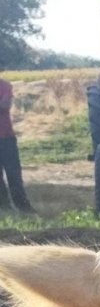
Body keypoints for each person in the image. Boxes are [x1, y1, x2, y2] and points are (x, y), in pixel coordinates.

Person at [0, 78, 34, 213]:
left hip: (6, 138)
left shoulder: (5, 86)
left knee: (14, 175)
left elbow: (5, 105)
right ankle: (4, 207)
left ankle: (23, 207)